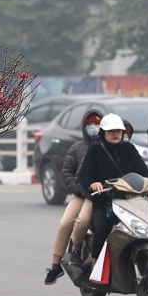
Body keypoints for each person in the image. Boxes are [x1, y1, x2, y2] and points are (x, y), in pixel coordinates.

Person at [77, 114, 148, 264]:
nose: (115, 134)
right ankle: (96, 265)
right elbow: (84, 176)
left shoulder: (129, 149)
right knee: (103, 228)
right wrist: (93, 184)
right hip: (105, 202)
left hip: (132, 201)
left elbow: (143, 171)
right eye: (111, 131)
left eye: (118, 131)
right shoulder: (94, 150)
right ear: (103, 133)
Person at [44, 109, 102, 285]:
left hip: (98, 195)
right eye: (89, 124)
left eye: (96, 124)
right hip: (80, 193)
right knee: (64, 223)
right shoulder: (76, 148)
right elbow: (67, 173)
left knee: (82, 221)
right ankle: (55, 266)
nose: (93, 127)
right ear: (84, 127)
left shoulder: (107, 147)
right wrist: (79, 189)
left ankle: (76, 249)